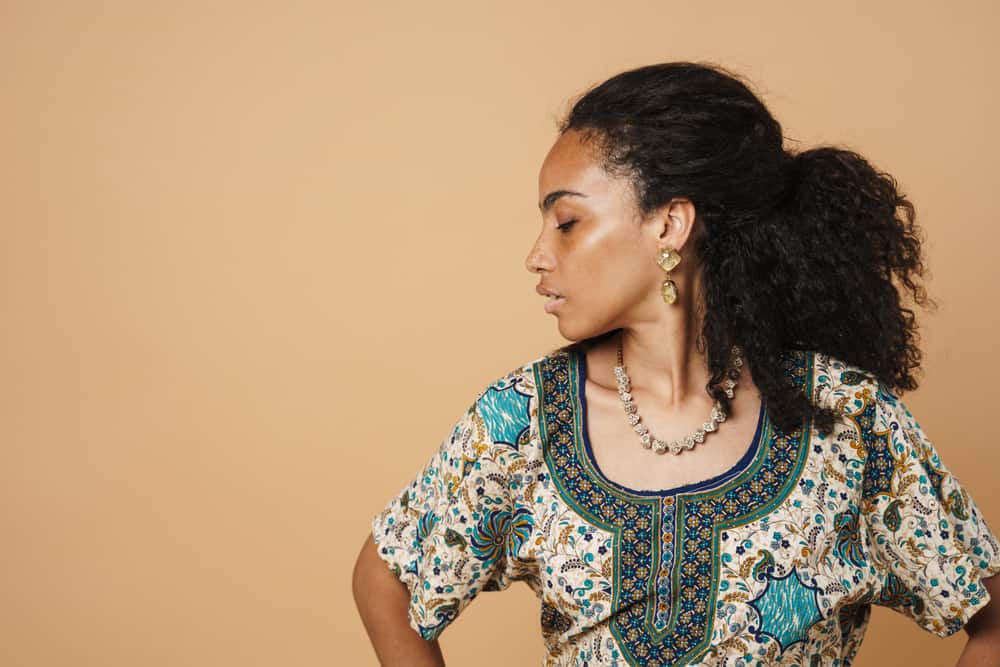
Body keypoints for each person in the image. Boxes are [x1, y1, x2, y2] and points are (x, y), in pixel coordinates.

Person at [352, 61, 1000, 666]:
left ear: (670, 224)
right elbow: (386, 580)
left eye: (568, 222)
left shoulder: (848, 418)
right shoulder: (522, 418)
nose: (537, 254)